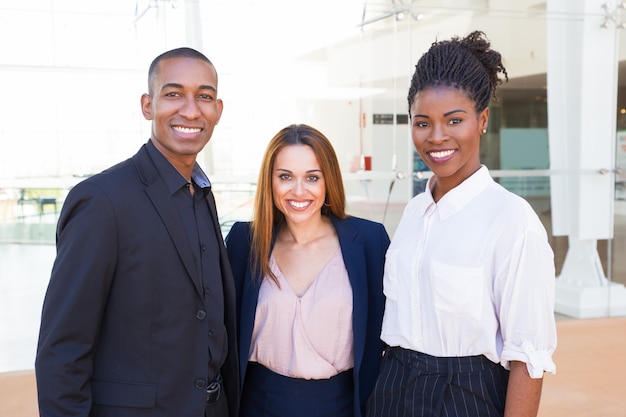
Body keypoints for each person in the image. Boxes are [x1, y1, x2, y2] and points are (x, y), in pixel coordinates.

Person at [35, 47, 239, 417]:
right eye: (173, 94)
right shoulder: (101, 200)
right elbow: (62, 350)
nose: (191, 110)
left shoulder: (202, 194)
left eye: (204, 97)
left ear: (218, 110)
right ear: (148, 105)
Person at [366, 31, 557, 417]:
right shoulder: (414, 213)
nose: (437, 137)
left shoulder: (511, 220)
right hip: (393, 386)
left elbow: (527, 357)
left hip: (464, 394)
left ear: (482, 120)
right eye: (423, 123)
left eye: (454, 120)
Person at [225, 124, 390, 417]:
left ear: (328, 182)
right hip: (258, 404)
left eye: (312, 177)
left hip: (341, 405)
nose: (298, 191)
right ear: (270, 181)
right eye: (285, 177)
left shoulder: (369, 242)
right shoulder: (244, 242)